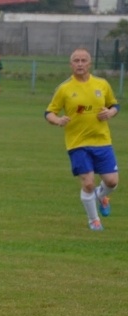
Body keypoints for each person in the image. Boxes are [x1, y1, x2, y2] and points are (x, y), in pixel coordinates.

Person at [45, 48, 119, 231]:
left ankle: (102, 196)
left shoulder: (102, 84)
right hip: (77, 143)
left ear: (89, 63)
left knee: (111, 181)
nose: (79, 64)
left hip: (102, 141)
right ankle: (94, 221)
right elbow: (49, 113)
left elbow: (114, 105)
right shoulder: (64, 89)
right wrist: (58, 120)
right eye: (76, 61)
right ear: (71, 65)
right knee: (87, 182)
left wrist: (110, 112)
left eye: (83, 60)